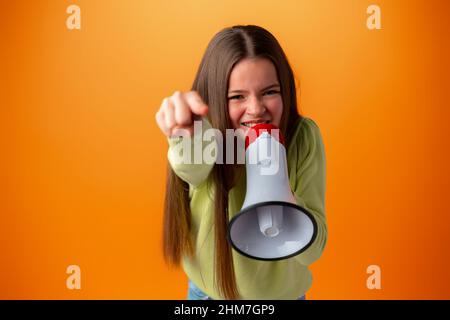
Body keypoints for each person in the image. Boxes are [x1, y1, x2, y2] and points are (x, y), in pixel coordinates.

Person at [155, 25, 327, 300]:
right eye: (237, 96)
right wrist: (183, 135)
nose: (256, 109)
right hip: (210, 295)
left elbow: (312, 251)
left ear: (285, 91)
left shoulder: (303, 136)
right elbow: (190, 167)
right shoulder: (208, 136)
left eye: (270, 92)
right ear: (215, 100)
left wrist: (284, 198)